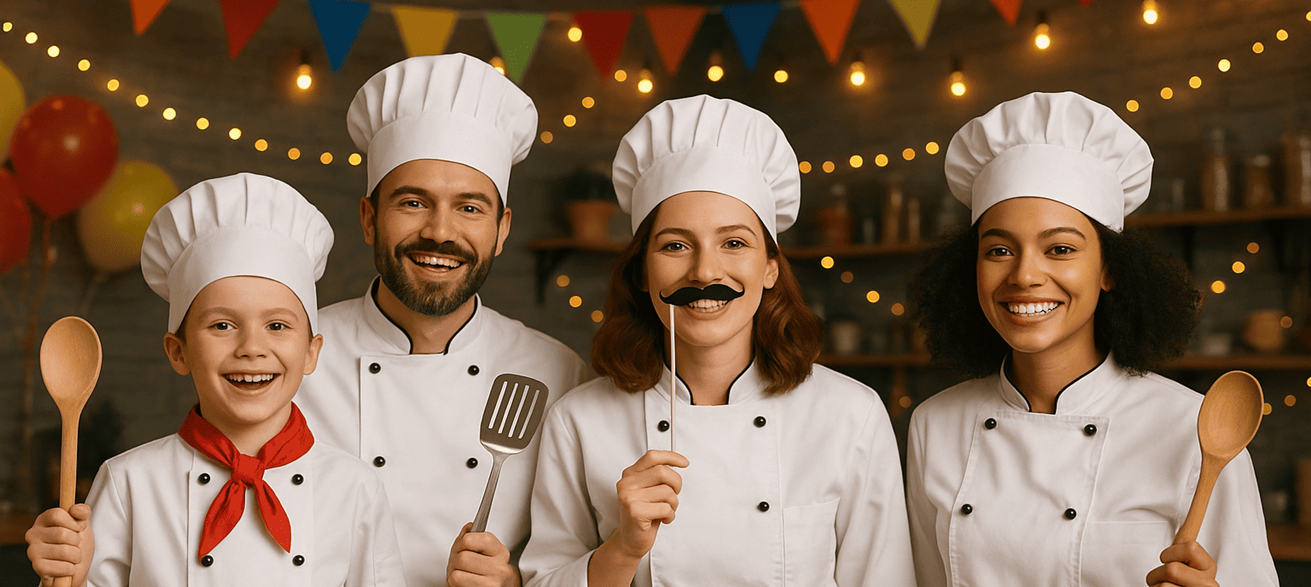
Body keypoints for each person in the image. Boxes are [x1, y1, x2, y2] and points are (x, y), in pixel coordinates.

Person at [520, 95, 916, 587]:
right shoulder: (579, 420)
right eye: (675, 245)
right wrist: (622, 549)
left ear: (769, 268)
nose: (705, 271)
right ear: (644, 272)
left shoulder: (850, 414)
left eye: (734, 242)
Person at [905, 91, 1279, 587]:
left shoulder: (1198, 431)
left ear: (1108, 269)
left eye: (1059, 248)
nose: (1025, 276)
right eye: (998, 250)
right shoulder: (934, 425)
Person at [25, 173, 405, 586]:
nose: (251, 348)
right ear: (178, 351)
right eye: (223, 325)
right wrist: (64, 577)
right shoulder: (129, 481)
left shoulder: (355, 488)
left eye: (277, 326)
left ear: (311, 352)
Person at [298, 54, 589, 587]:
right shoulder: (290, 358)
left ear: (501, 230)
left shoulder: (559, 375)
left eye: (470, 209)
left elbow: (577, 563)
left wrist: (513, 584)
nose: (439, 232)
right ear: (368, 218)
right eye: (413, 202)